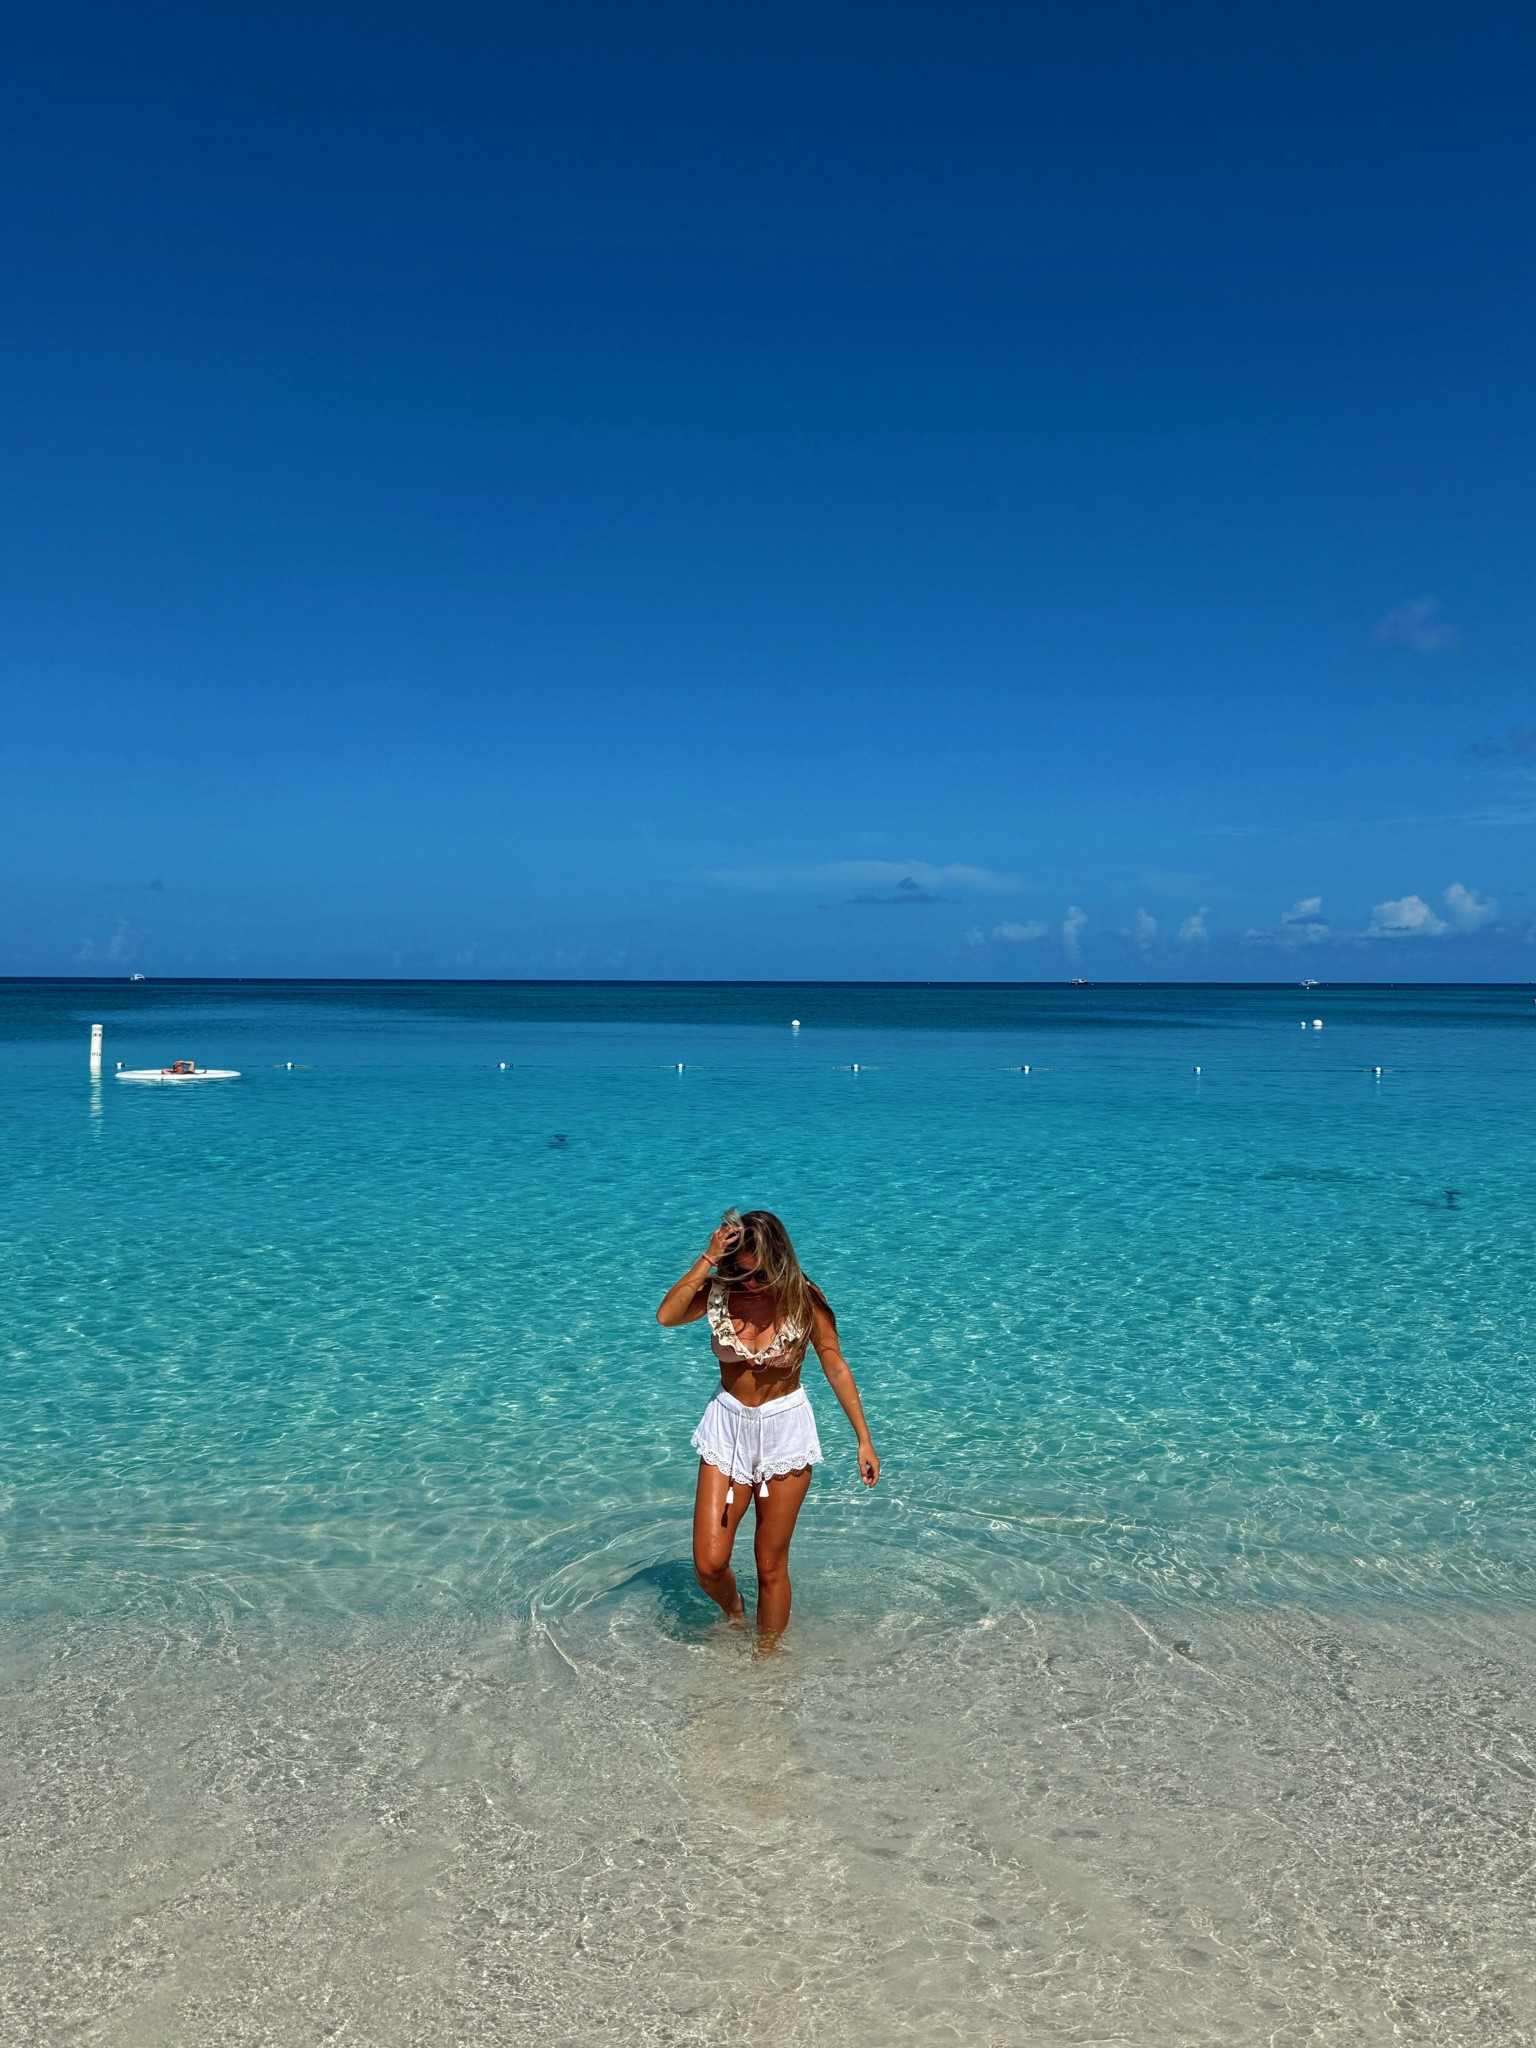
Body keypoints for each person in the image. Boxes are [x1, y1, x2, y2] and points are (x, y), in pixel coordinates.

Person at [656, 1208, 879, 1642]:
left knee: (770, 1565)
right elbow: (667, 1316)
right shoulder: (719, 1292)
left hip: (785, 1429)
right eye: (741, 1273)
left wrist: (863, 1440)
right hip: (727, 1426)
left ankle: (768, 1665)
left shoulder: (803, 1297)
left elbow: (834, 1364)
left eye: (760, 1274)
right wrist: (708, 1258)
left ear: (779, 1259)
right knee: (709, 1564)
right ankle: (734, 1612)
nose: (752, 1284)